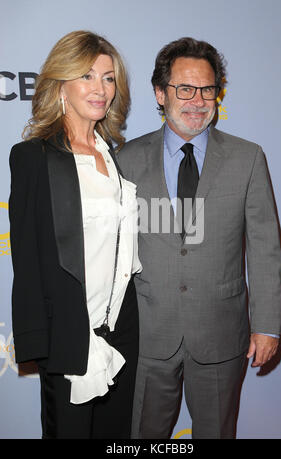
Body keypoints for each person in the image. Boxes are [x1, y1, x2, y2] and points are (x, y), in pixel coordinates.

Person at [117, 37, 281, 439]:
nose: (198, 100)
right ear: (161, 93)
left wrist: (267, 326)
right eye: (184, 89)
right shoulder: (125, 160)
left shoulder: (248, 158)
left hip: (221, 333)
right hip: (146, 334)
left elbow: (265, 248)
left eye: (207, 89)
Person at [9, 30, 141, 439]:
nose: (100, 88)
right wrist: (37, 344)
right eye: (86, 76)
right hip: (69, 333)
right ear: (60, 83)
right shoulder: (34, 156)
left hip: (121, 332)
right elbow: (26, 259)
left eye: (108, 77)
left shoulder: (111, 153)